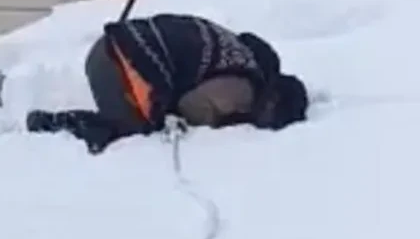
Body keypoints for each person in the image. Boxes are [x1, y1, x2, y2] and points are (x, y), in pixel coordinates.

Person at [26, 13, 309, 153]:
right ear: (271, 100)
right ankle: (55, 125)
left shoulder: (238, 54)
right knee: (137, 134)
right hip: (122, 60)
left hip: (117, 47)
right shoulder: (242, 88)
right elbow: (190, 106)